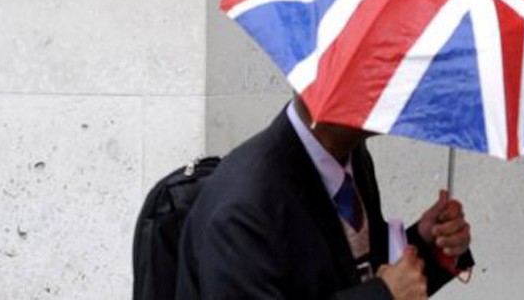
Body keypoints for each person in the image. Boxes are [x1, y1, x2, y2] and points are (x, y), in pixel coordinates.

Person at [176, 94, 473, 300]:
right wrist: (382, 296)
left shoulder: (351, 156)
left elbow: (357, 271)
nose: (398, 88)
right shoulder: (244, 210)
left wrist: (427, 245)